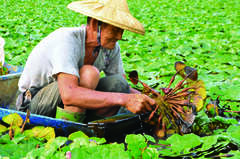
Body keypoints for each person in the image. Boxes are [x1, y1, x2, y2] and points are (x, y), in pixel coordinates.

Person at [16, 0, 156, 122]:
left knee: (119, 83)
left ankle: (87, 127)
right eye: (115, 30)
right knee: (89, 74)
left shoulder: (111, 47)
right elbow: (69, 95)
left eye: (122, 31)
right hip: (32, 103)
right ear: (95, 24)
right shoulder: (67, 39)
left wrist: (150, 99)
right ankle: (67, 133)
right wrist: (124, 100)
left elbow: (123, 88)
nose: (119, 36)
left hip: (72, 101)